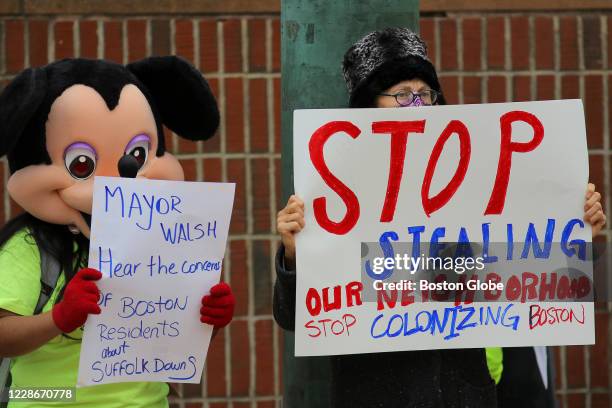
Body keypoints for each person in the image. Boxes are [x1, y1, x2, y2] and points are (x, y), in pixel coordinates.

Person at [273, 28, 606, 408]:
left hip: (462, 391)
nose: (416, 105)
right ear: (369, 106)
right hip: (373, 392)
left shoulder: (471, 177)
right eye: (401, 95)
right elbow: (293, 318)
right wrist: (294, 255)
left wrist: (576, 238)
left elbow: (520, 274)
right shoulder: (333, 194)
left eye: (424, 94)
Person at [0, 57, 236, 407]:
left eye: (137, 155)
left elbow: (170, 332)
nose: (114, 184)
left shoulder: (165, 244)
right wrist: (58, 318)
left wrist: (209, 319)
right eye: (82, 165)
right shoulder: (31, 248)